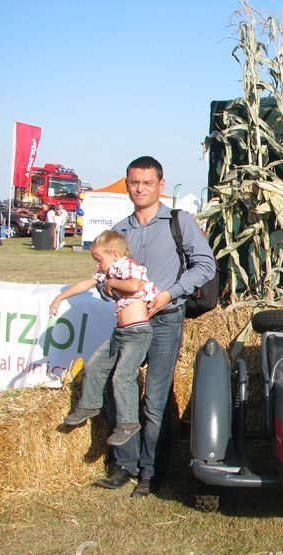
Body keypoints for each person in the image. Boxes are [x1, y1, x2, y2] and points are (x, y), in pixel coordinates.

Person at [89, 156, 215, 498]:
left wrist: (169, 293)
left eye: (147, 183)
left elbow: (205, 265)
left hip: (165, 318)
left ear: (161, 185)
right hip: (129, 323)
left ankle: (151, 472)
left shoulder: (179, 222)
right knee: (118, 389)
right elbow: (102, 279)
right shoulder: (119, 231)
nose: (140, 188)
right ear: (127, 184)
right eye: (134, 182)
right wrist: (109, 289)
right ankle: (125, 465)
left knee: (155, 399)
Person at [50, 230, 158, 447]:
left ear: (115, 254)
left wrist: (112, 284)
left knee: (123, 376)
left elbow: (134, 285)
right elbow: (86, 283)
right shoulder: (109, 272)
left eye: (99, 259)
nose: (97, 265)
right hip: (121, 332)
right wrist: (60, 297)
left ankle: (128, 422)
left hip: (137, 332)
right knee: (94, 365)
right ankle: (89, 404)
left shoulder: (126, 266)